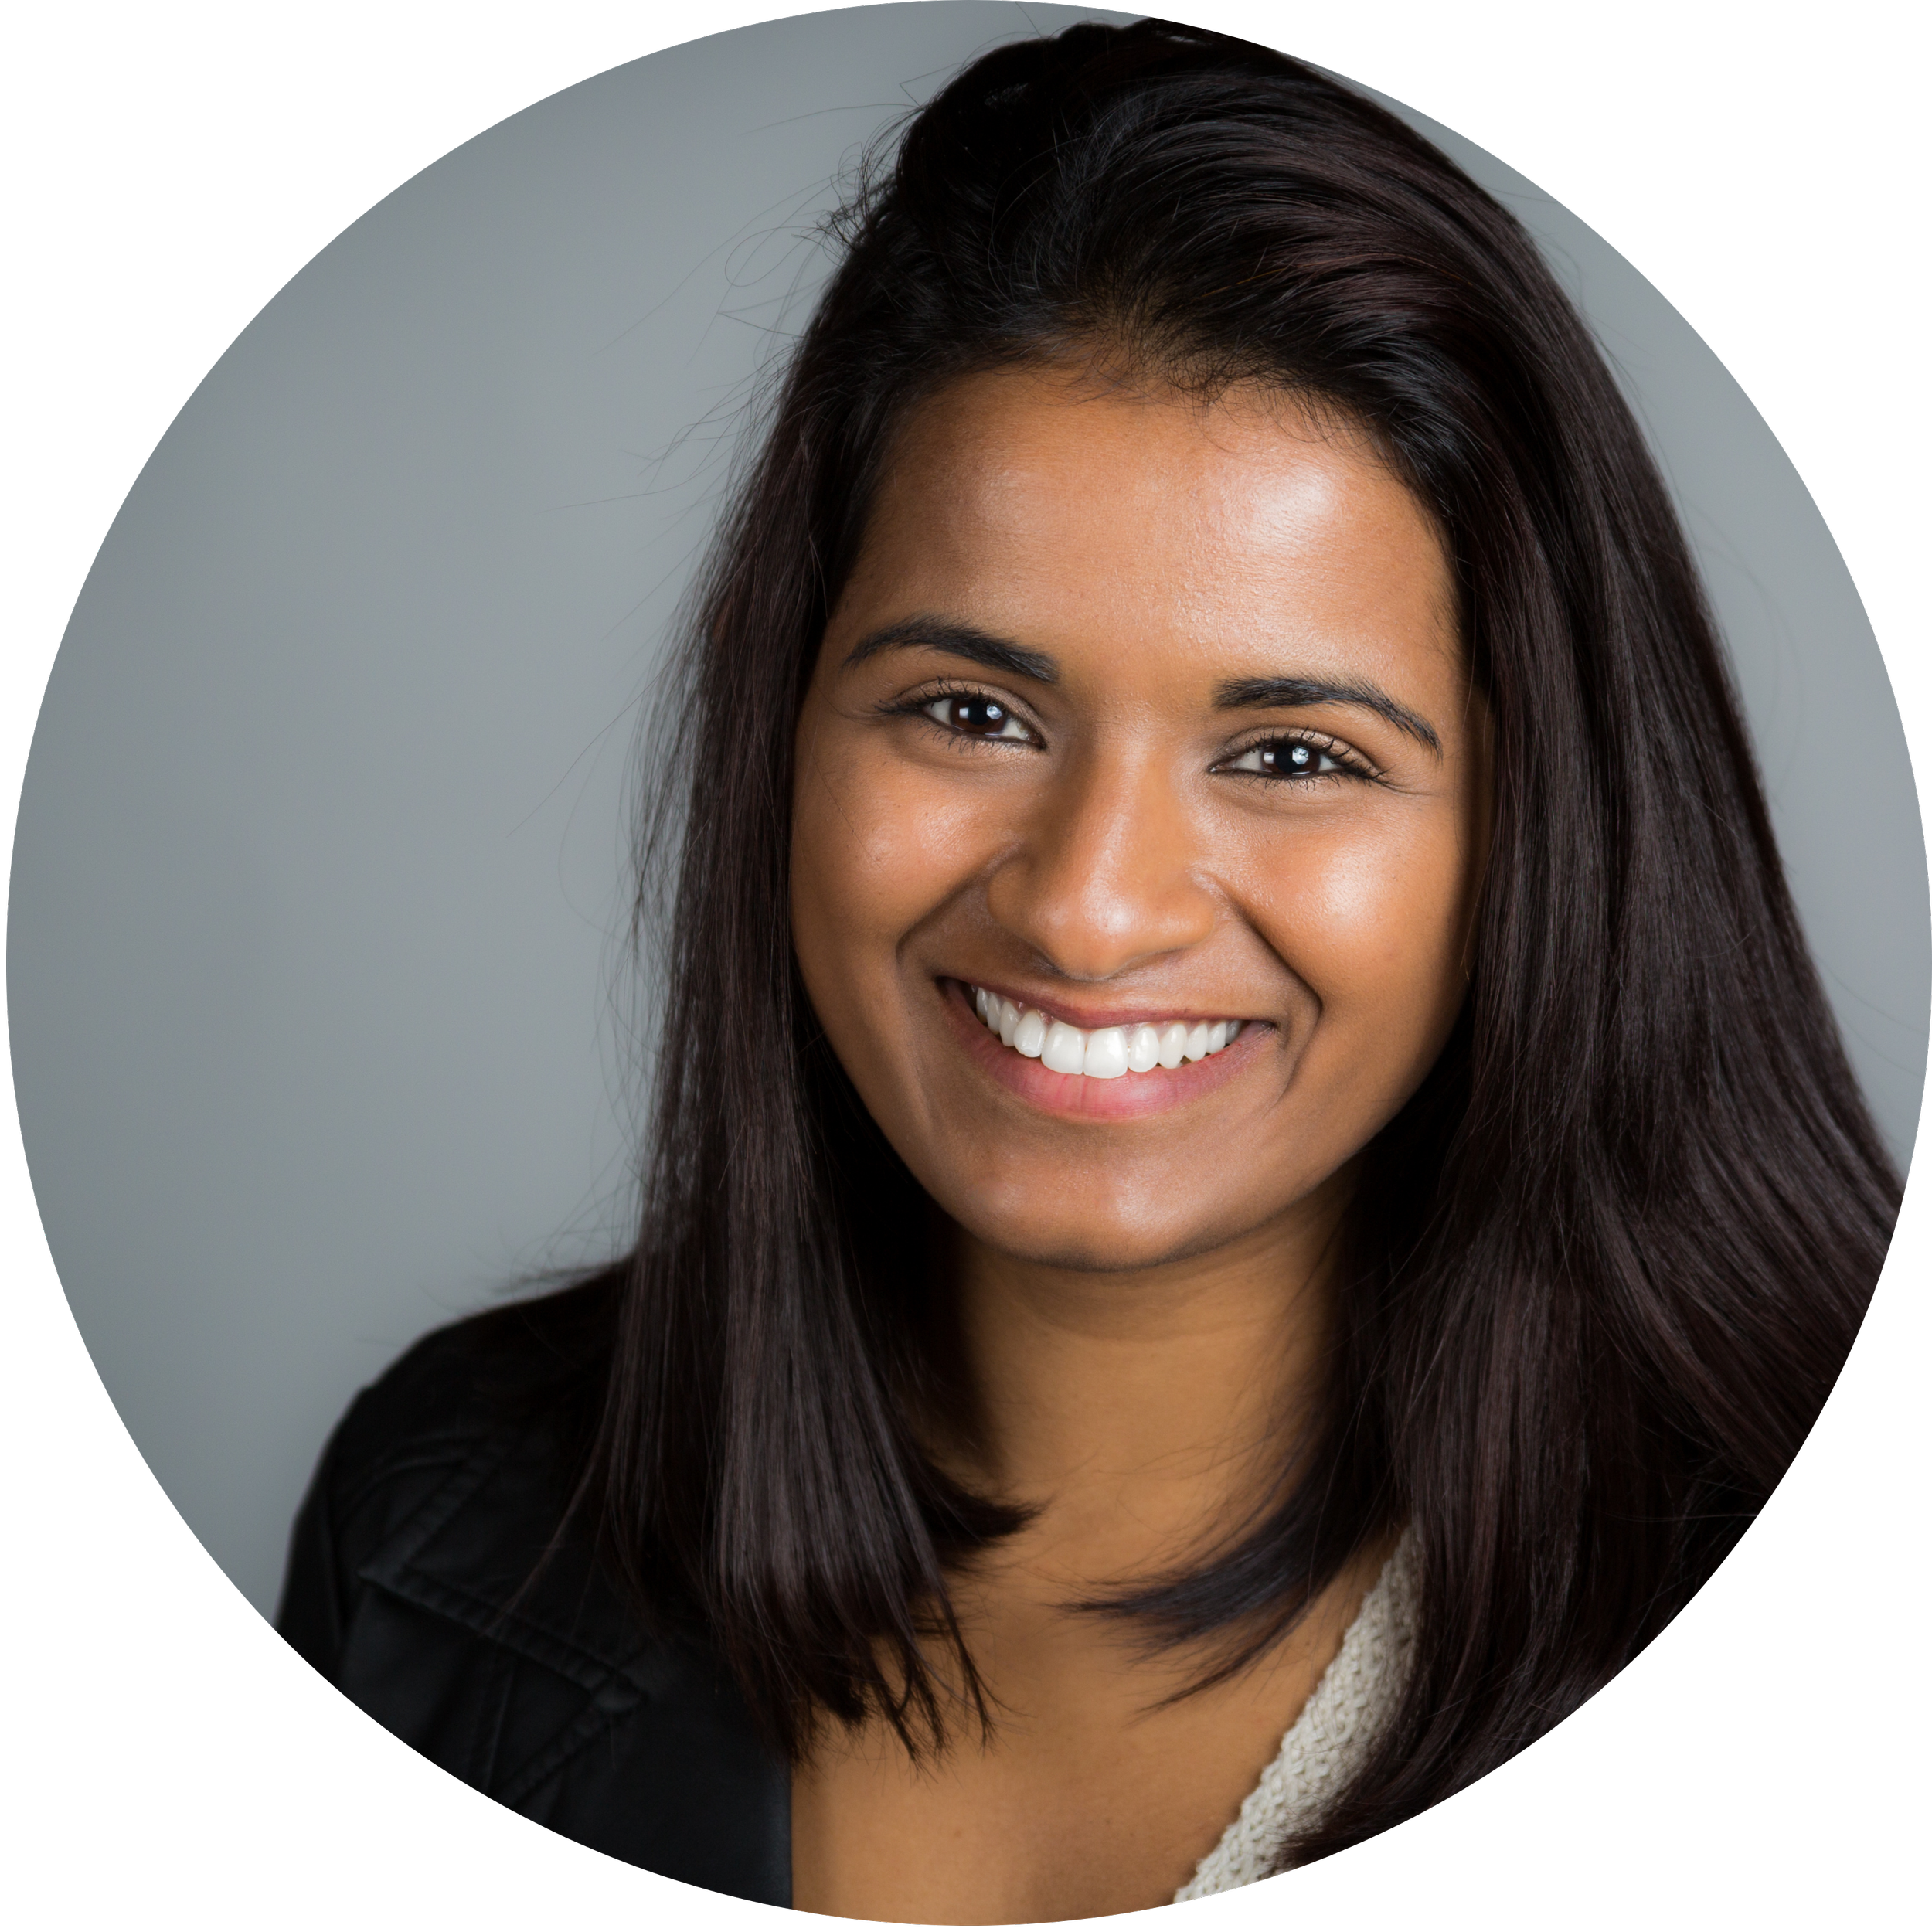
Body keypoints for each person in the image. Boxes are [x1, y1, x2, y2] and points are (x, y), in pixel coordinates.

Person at [276, 19, 1899, 1921]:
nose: (1086, 909)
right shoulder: (442, 1522)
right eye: (970, 709)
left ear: (1547, 830)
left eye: (1291, 753)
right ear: (785, 733)